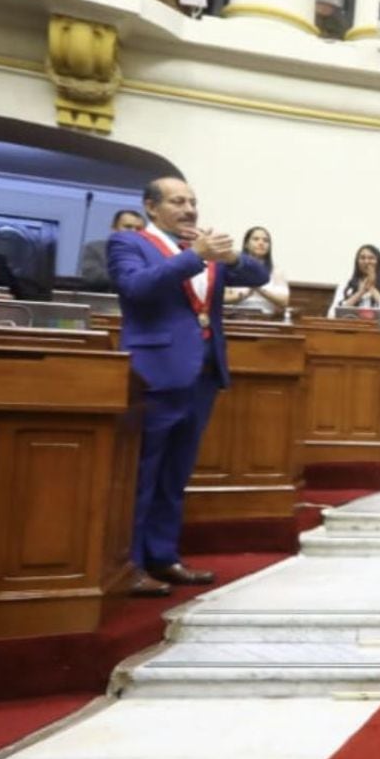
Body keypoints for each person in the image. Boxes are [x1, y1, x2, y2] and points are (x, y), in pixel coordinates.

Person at [109, 176, 269, 597]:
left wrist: (230, 254)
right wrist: (192, 257)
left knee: (175, 474)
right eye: (178, 202)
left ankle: (163, 556)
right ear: (151, 206)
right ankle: (131, 564)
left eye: (193, 201)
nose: (189, 209)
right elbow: (135, 288)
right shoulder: (131, 244)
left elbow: (259, 272)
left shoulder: (205, 247)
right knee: (144, 472)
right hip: (155, 372)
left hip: (201, 372)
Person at [224, 226, 288, 317]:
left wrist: (259, 288)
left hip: (267, 318)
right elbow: (223, 298)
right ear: (246, 243)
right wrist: (245, 294)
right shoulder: (233, 267)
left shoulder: (276, 270)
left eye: (266, 241)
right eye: (256, 239)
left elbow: (284, 301)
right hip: (236, 317)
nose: (261, 243)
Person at [338, 243, 380, 330]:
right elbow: (333, 315)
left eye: (371, 258)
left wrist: (372, 288)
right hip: (350, 336)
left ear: (378, 262)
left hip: (379, 338)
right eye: (362, 258)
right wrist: (360, 293)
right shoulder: (346, 285)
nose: (366, 262)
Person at [78, 208, 144, 289]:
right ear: (114, 228)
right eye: (128, 227)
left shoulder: (149, 253)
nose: (134, 232)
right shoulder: (95, 248)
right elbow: (93, 277)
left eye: (139, 229)